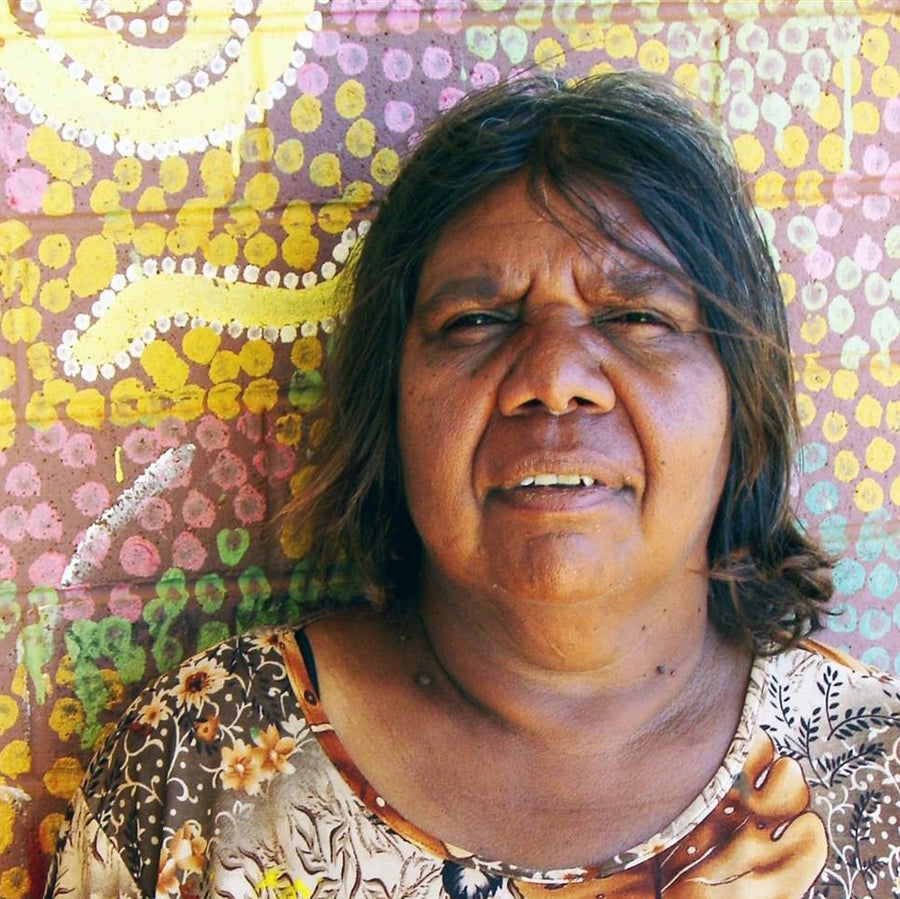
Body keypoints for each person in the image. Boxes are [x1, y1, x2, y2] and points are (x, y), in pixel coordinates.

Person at [46, 72, 900, 899]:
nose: (556, 375)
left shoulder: (870, 779)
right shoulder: (199, 764)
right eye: (478, 321)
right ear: (393, 406)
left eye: (636, 317)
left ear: (740, 403)